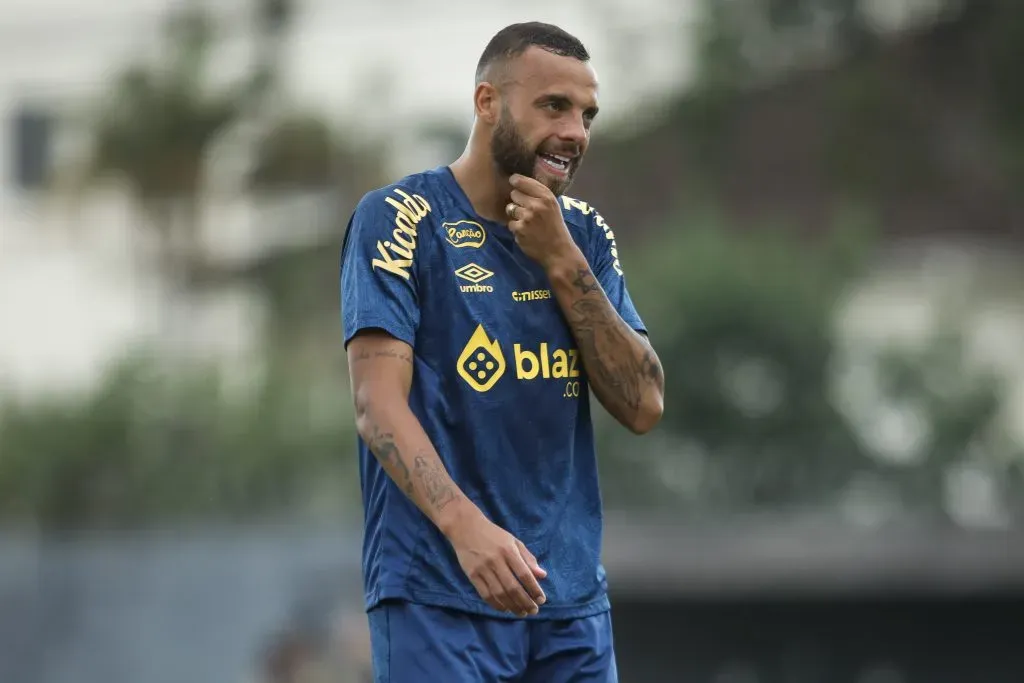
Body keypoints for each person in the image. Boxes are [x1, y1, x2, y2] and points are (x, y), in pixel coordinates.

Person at [339, 20, 665, 683]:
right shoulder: (401, 218)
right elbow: (377, 407)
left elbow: (643, 403)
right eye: (555, 106)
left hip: (568, 602)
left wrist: (560, 257)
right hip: (439, 592)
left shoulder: (584, 237)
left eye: (587, 114)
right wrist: (467, 529)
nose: (576, 132)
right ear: (488, 103)